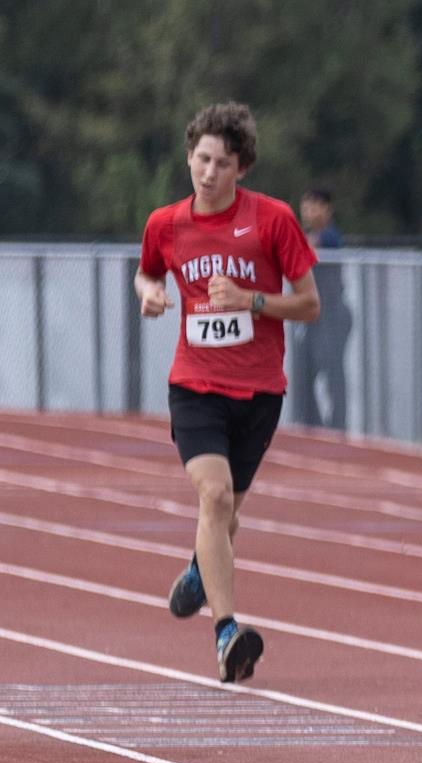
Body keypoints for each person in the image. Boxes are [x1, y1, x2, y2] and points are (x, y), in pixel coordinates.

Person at [137, 102, 320, 683]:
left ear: (241, 168)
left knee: (227, 515)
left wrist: (252, 300)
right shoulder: (165, 224)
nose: (209, 172)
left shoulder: (272, 220)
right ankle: (226, 633)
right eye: (202, 159)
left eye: (222, 162)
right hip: (195, 386)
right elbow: (147, 272)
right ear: (189, 157)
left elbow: (310, 304)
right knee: (213, 498)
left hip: (260, 391)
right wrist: (148, 293)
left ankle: (198, 570)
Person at [291, 186, 350, 429]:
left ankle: (338, 428)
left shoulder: (329, 237)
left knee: (332, 374)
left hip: (331, 316)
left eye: (314, 206)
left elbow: (306, 249)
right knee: (303, 376)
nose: (308, 211)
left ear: (327, 209)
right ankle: (310, 426)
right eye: (305, 206)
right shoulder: (307, 236)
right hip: (310, 318)